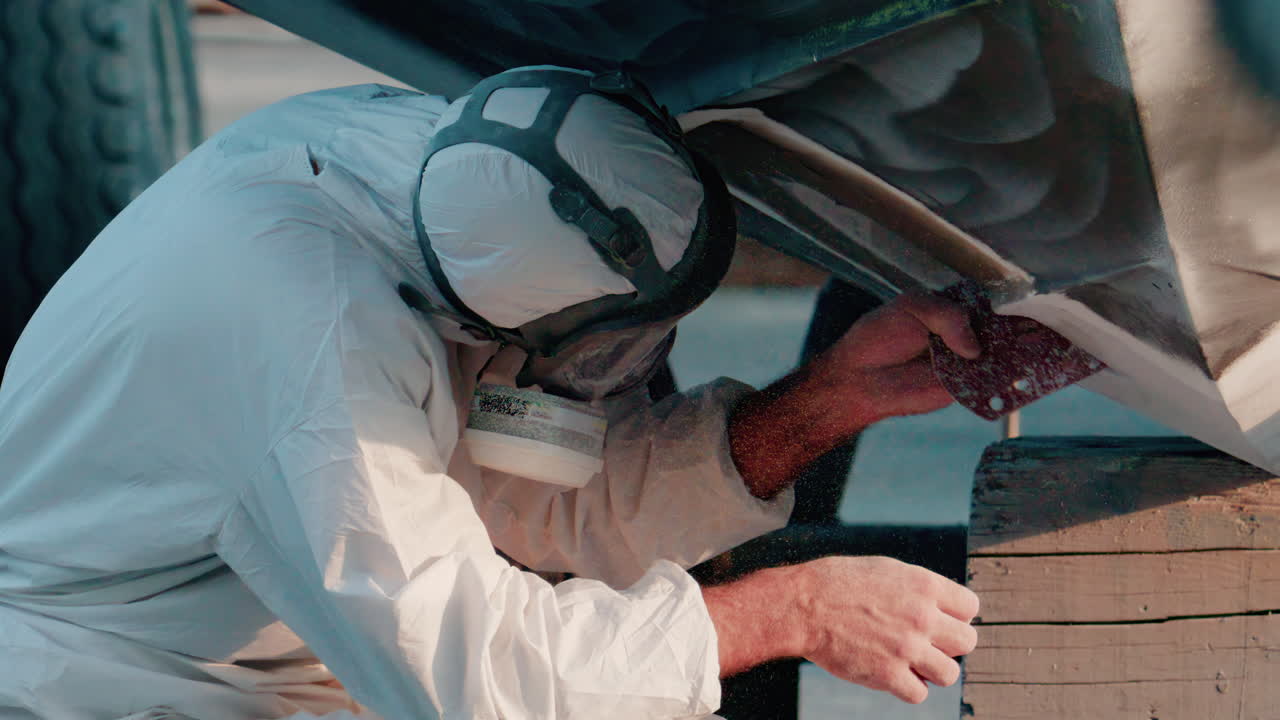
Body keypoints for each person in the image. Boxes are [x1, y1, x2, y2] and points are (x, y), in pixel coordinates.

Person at [0, 67, 979, 719]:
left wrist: (831, 398)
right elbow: (471, 684)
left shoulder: (461, 189)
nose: (628, 374)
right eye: (608, 353)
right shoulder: (317, 376)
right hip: (129, 678)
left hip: (287, 625)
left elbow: (552, 496)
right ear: (504, 328)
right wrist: (788, 611)